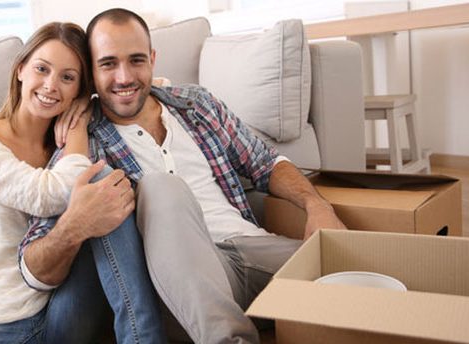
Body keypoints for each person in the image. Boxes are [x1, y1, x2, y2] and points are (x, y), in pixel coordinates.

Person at [20, 8, 348, 344]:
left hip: (250, 250)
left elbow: (266, 162)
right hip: (175, 292)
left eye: (136, 60)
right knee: (162, 187)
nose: (123, 77)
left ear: (152, 58)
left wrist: (317, 205)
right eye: (108, 64)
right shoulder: (81, 145)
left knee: (366, 277)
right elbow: (33, 265)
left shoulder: (197, 104)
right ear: (91, 71)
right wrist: (73, 226)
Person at [0, 21, 165, 344]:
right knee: (94, 183)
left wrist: (87, 101)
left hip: (68, 308)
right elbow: (50, 194)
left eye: (68, 78)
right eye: (42, 69)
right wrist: (79, 121)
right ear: (21, 69)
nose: (51, 86)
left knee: (103, 185)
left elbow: (158, 85)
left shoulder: (63, 148)